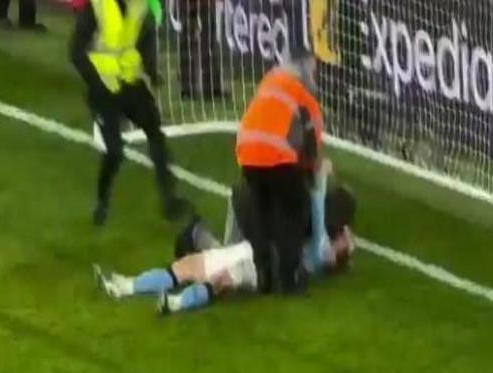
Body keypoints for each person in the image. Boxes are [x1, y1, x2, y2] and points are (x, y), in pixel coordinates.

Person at [93, 160, 357, 315]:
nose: (347, 235)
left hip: (261, 258)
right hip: (258, 259)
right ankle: (149, 294)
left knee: (206, 273)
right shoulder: (320, 250)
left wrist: (321, 178)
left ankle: (152, 295)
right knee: (206, 273)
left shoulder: (321, 250)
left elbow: (318, 206)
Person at [70, 0, 189, 226]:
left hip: (130, 82)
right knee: (115, 152)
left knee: (156, 134)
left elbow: (143, 38)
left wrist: (150, 71)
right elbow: (76, 52)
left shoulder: (139, 5)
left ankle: (169, 200)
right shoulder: (98, 7)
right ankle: (102, 202)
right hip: (103, 88)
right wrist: (96, 82)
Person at [235, 46, 324, 293]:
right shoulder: (304, 97)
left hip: (247, 154)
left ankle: (263, 275)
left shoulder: (269, 82)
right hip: (277, 157)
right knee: (292, 212)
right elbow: (312, 147)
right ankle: (289, 276)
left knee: (261, 213)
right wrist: (310, 174)